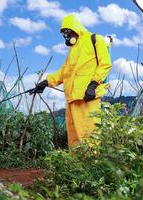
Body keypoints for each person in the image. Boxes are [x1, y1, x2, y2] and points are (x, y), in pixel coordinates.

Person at [31, 14, 112, 147]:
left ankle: (92, 164)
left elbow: (105, 64)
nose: (67, 36)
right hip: (72, 98)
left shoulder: (94, 39)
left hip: (87, 96)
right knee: (73, 135)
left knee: (89, 132)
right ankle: (75, 165)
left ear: (75, 28)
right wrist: (46, 82)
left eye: (68, 32)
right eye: (64, 34)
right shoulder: (73, 50)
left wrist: (93, 85)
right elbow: (65, 71)